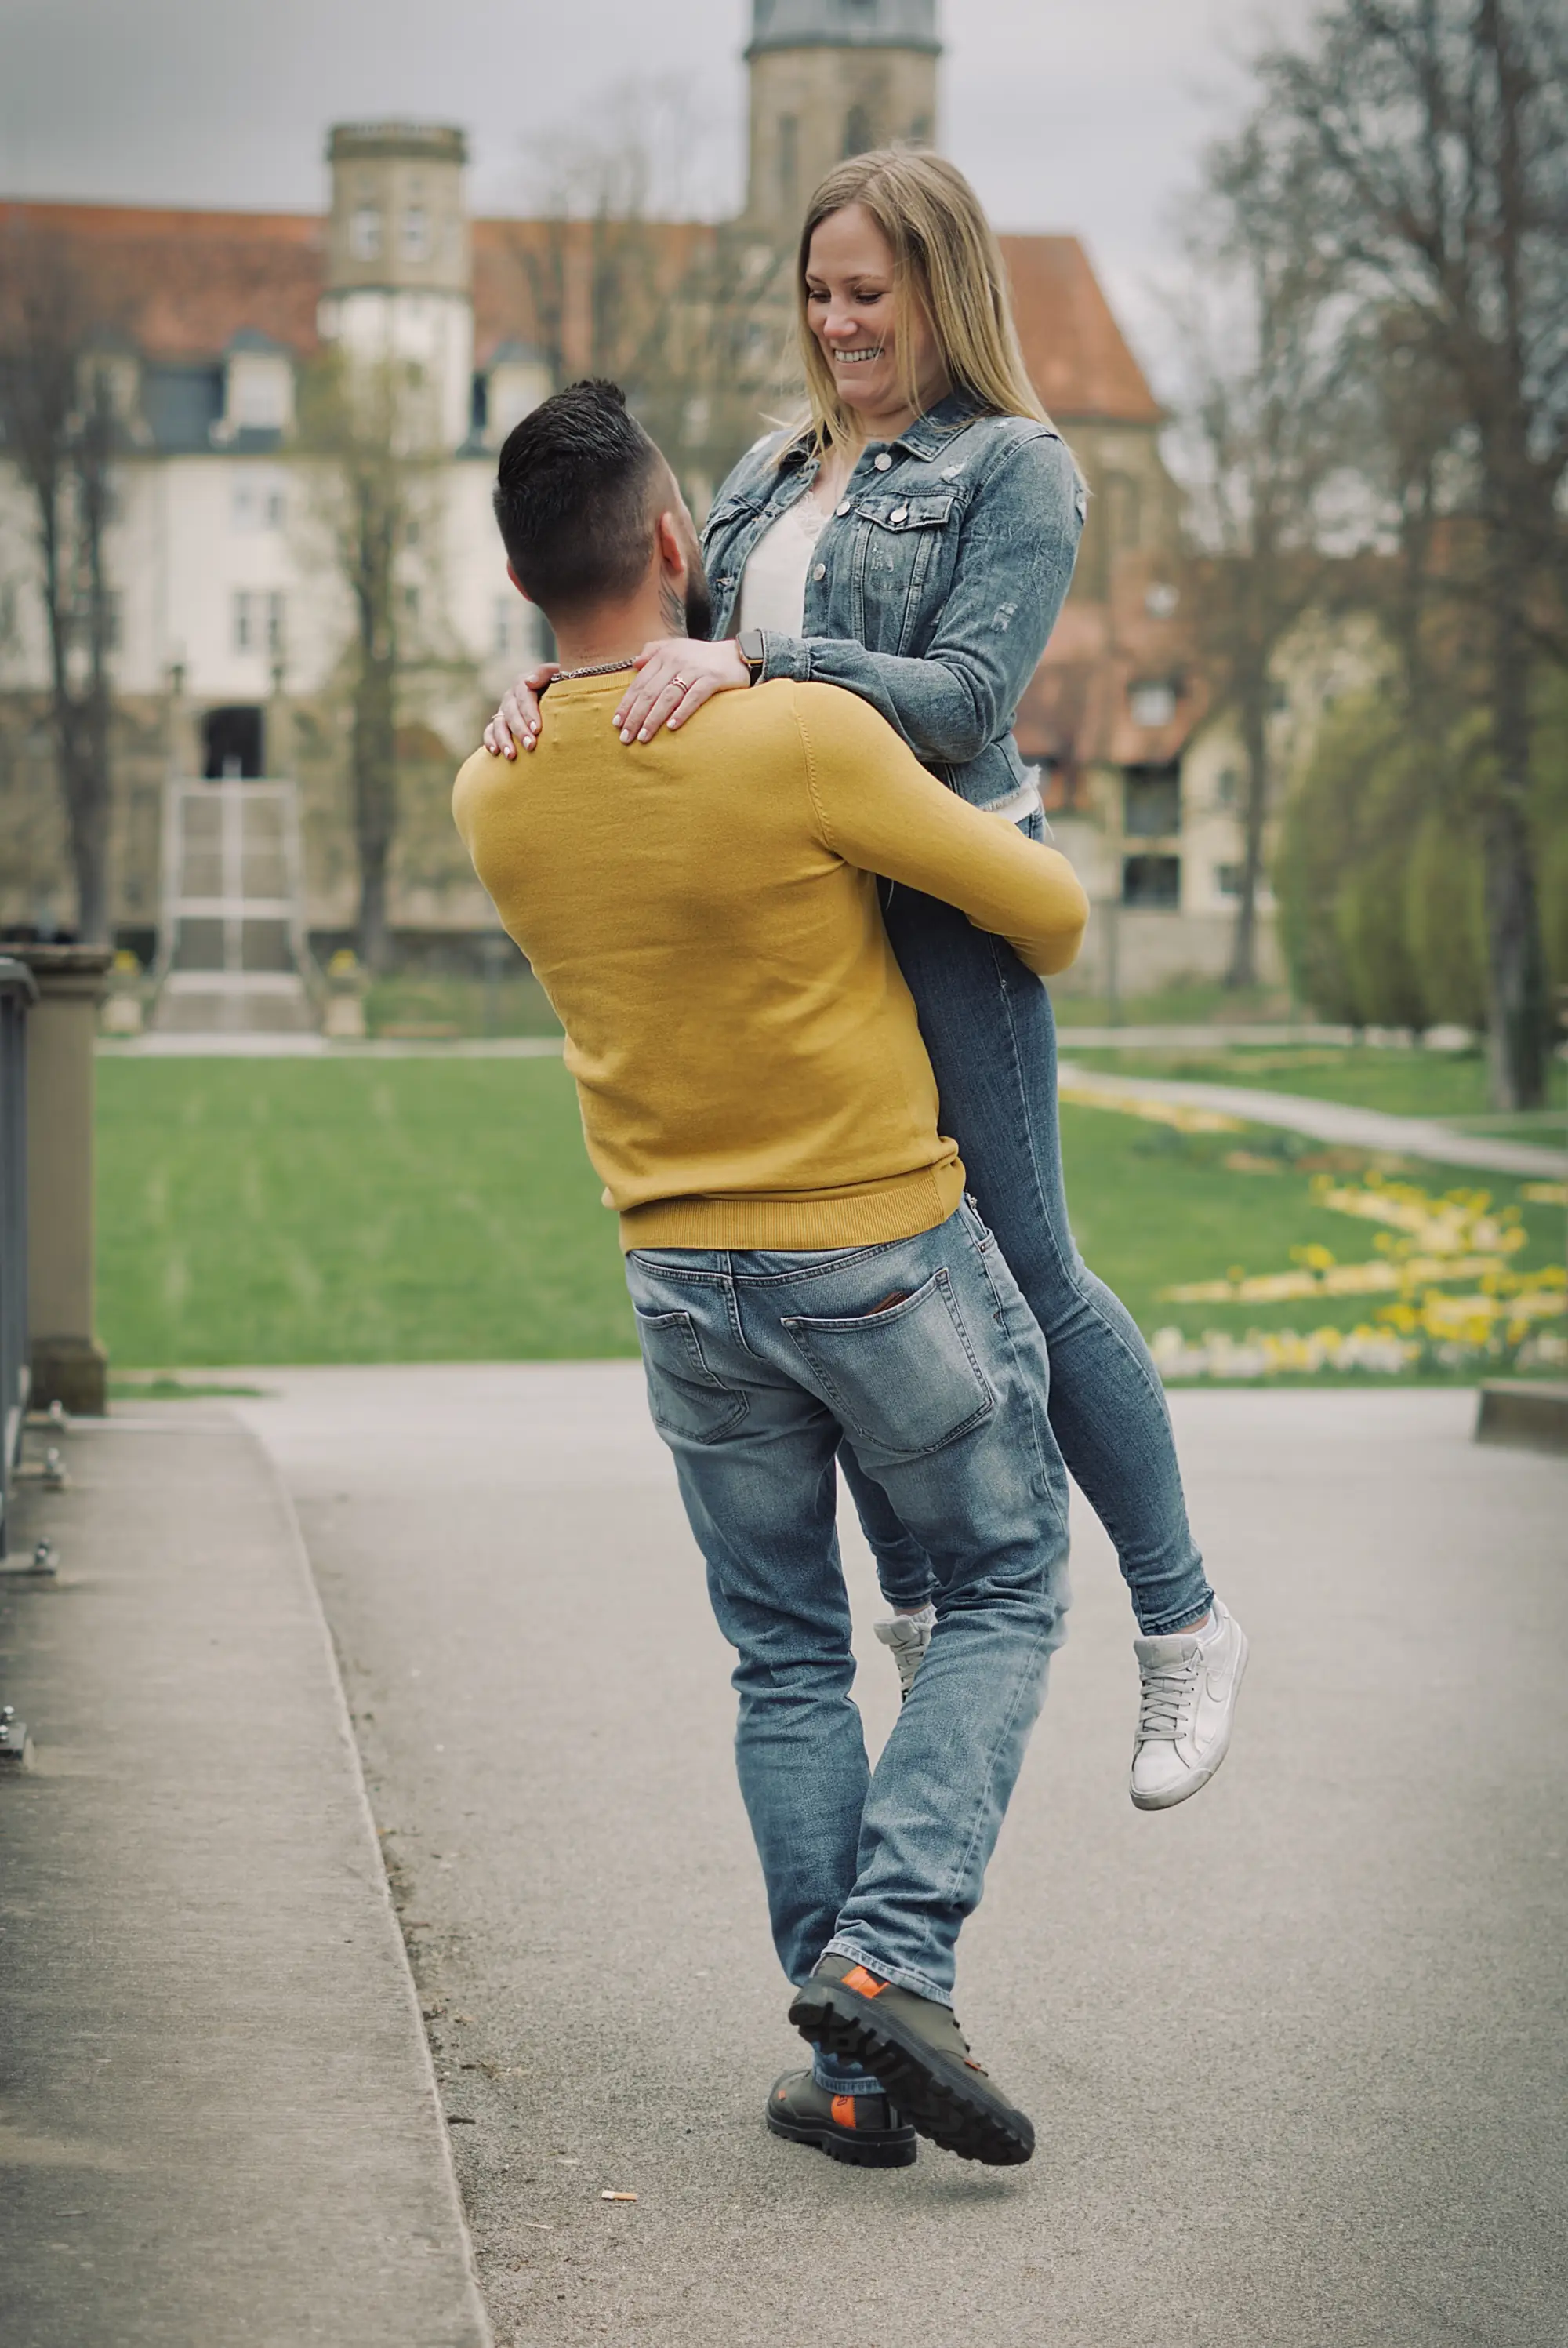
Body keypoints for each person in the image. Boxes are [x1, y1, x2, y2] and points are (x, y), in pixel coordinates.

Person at [485, 147, 1248, 1816]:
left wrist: (771, 659)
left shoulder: (1016, 470)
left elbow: (969, 700)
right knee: (878, 1280)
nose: (838, 322)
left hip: (943, 913)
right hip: (795, 925)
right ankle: (918, 1611)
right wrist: (548, 689)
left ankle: (1183, 1618)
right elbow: (654, 627)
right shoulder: (764, 471)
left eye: (867, 293)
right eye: (819, 293)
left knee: (1029, 1271)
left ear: (940, 290)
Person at [455, 377, 1092, 2169]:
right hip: (869, 1247)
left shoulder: (488, 791)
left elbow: (573, 765)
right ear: (679, 543)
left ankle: (839, 2068)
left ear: (525, 590)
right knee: (1007, 1582)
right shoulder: (793, 737)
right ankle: (888, 1966)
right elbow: (1047, 916)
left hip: (678, 1278)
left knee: (788, 1659)